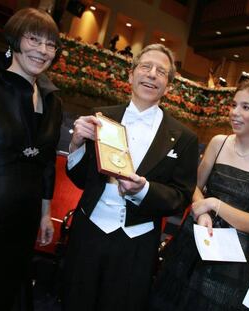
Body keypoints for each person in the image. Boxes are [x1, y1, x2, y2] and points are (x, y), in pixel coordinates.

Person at [63, 43, 199, 311]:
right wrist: (77, 144)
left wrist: (144, 189)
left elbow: (180, 197)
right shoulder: (103, 117)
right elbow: (81, 179)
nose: (151, 75)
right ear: (131, 74)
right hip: (89, 230)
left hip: (137, 243)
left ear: (168, 86)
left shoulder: (184, 137)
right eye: (145, 67)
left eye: (161, 72)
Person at [150, 79, 249, 310]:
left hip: (228, 258)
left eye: (246, 107)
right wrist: (202, 208)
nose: (235, 113)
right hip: (194, 238)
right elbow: (193, 185)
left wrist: (215, 205)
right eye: (234, 105)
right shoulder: (219, 143)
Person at [0, 8, 62, 310]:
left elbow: (46, 165)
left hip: (25, 215)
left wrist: (45, 214)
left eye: (50, 45)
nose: (42, 51)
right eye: (34, 39)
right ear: (15, 40)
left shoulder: (52, 100)